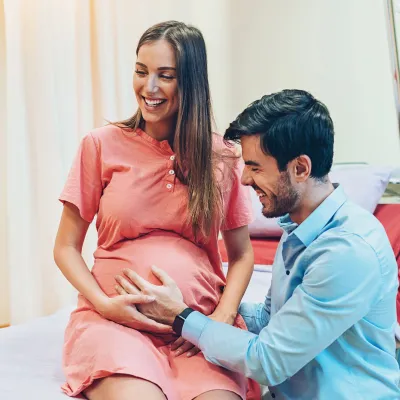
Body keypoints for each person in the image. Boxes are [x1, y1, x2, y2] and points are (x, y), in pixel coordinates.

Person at [115, 89, 400, 399]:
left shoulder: (347, 252)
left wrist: (182, 318)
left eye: (255, 167)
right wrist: (206, 303)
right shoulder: (298, 230)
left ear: (300, 169)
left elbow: (266, 360)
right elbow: (268, 320)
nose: (246, 181)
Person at [54, 20, 261, 400]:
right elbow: (65, 247)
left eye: (165, 76)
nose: (148, 88)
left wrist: (217, 321)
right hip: (116, 328)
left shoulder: (223, 156)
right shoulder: (100, 145)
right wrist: (104, 305)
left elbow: (243, 254)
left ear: (192, 83)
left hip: (195, 333)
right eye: (141, 71)